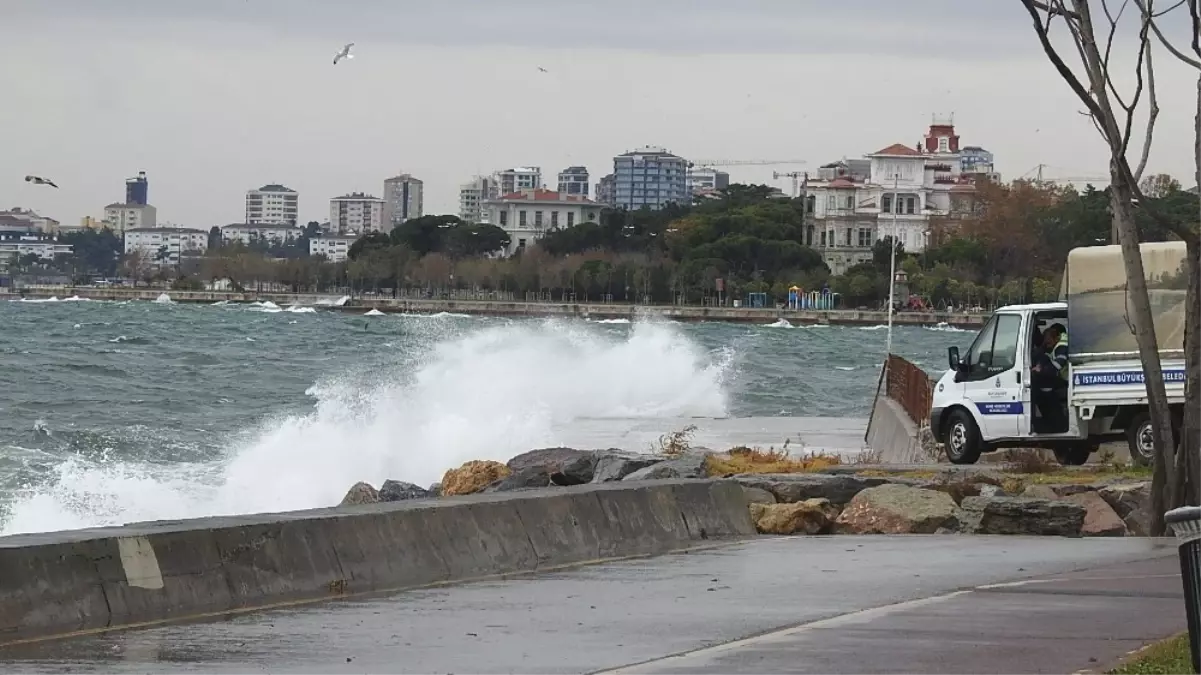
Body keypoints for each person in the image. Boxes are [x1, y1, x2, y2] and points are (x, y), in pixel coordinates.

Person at [1031, 323, 1069, 432]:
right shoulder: (1056, 345)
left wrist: (1041, 370)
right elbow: (1046, 356)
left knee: (1044, 388)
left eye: (1048, 341)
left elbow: (1057, 365)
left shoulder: (1062, 346)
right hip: (1064, 378)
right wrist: (1039, 365)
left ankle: (1056, 424)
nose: (1047, 344)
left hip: (1067, 380)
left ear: (1056, 338)